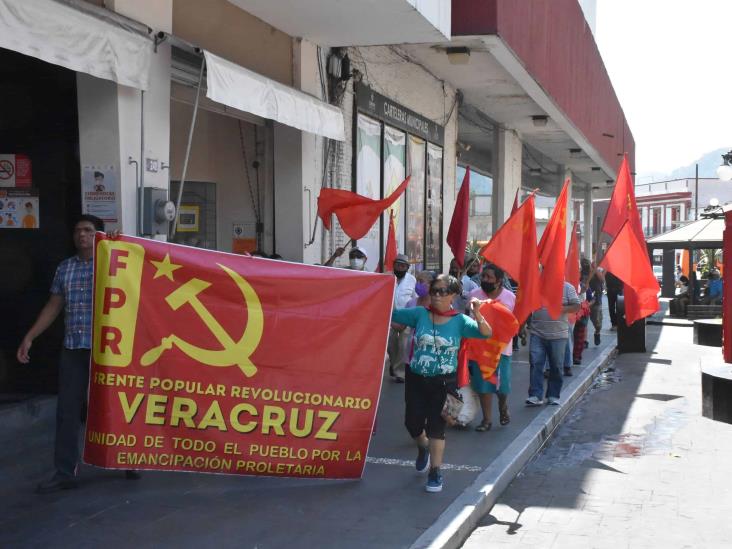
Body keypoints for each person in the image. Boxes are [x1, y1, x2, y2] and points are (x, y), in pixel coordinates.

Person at [17, 215, 139, 493]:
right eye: (77, 231)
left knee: (116, 407)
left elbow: (141, 279)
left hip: (109, 352)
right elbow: (53, 306)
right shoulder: (65, 268)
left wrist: (122, 245)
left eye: (87, 230)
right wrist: (30, 336)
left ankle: (128, 458)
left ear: (98, 235)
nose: (81, 235)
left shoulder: (114, 263)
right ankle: (64, 472)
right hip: (74, 348)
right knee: (67, 412)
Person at [391, 274, 492, 493]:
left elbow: (486, 333)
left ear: (453, 295)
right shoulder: (420, 314)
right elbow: (393, 315)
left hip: (445, 382)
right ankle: (423, 447)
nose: (436, 295)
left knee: (437, 426)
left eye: (442, 291)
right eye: (434, 290)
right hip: (416, 379)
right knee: (413, 423)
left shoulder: (460, 321)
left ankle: (435, 471)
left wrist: (477, 312)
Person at [467, 263, 516, 430]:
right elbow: (470, 320)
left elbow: (514, 321)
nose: (485, 280)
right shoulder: (474, 294)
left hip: (502, 349)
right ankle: (486, 420)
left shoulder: (509, 297)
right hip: (479, 349)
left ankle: (503, 407)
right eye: (484, 276)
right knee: (484, 385)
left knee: (502, 386)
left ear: (499, 281)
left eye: (489, 277)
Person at [526, 281, 580, 407]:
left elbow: (577, 306)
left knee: (556, 366)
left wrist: (560, 308)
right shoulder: (537, 285)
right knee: (535, 363)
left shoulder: (567, 288)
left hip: (558, 335)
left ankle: (553, 395)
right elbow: (528, 304)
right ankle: (535, 395)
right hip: (537, 333)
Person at [387, 254, 417, 382]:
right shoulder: (386, 277)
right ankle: (394, 365)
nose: (400, 267)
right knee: (391, 345)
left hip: (406, 317)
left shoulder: (412, 280)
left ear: (407, 268)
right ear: (394, 265)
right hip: (389, 317)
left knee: (404, 344)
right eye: (398, 265)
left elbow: (415, 299)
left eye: (403, 266)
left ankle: (400, 373)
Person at [588, 264, 605, 345]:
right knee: (583, 323)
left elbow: (602, 279)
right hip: (586, 300)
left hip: (597, 301)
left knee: (598, 323)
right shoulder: (586, 271)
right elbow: (586, 281)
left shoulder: (598, 271)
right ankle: (584, 341)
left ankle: (597, 332)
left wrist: (595, 269)